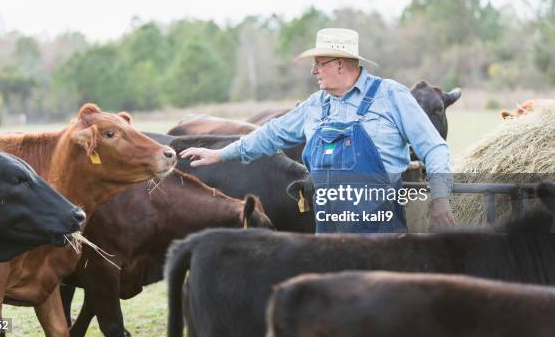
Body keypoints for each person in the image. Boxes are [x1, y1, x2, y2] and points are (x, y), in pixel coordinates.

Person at [181, 28, 454, 233]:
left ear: (340, 64)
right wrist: (221, 154)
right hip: (326, 234)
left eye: (319, 63)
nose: (313, 71)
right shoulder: (314, 106)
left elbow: (435, 147)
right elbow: (269, 135)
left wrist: (440, 200)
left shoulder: (391, 96)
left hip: (379, 234)